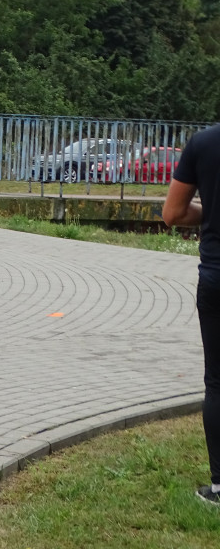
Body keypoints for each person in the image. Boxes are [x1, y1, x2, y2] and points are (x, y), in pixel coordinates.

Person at [162, 124, 220, 507]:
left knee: (217, 382)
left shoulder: (203, 143)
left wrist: (210, 211)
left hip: (217, 278)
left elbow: (172, 213)